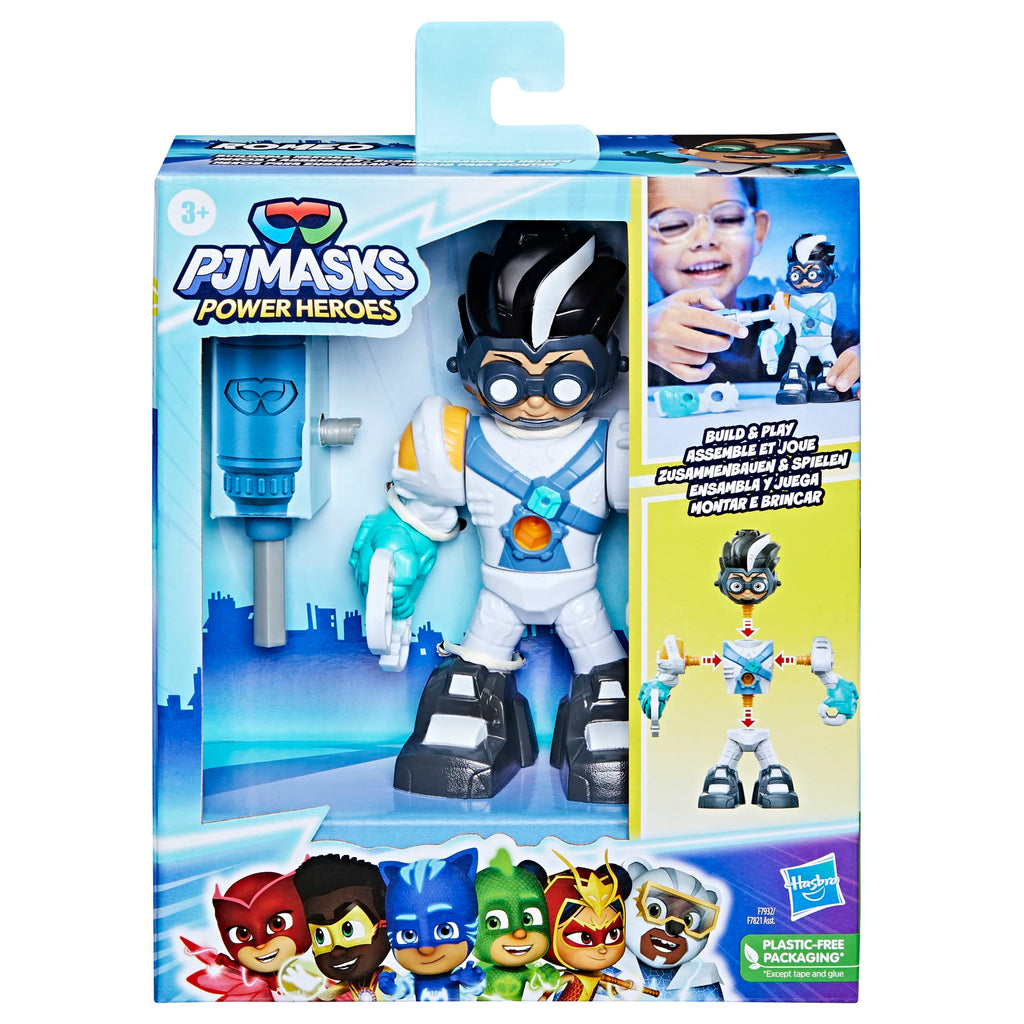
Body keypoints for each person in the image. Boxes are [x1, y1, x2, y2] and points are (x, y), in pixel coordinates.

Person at [646, 177, 859, 393]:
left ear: (758, 231)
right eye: (672, 225)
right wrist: (635, 337)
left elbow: (861, 350)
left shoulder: (785, 315)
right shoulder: (632, 328)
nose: (704, 239)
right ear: (638, 241)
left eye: (728, 218)